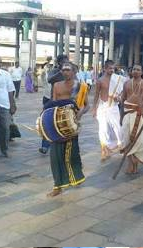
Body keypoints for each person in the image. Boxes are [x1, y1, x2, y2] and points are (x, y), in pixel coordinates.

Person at [46, 62, 89, 197]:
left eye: (68, 70)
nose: (65, 72)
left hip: (72, 123)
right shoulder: (56, 85)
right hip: (57, 123)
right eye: (63, 70)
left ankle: (75, 176)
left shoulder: (80, 86)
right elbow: (53, 103)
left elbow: (86, 105)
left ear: (74, 71)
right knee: (55, 154)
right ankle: (57, 185)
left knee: (71, 153)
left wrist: (79, 113)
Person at [120, 64, 143, 174]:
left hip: (140, 114)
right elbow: (123, 99)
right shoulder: (127, 83)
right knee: (127, 138)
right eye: (134, 69)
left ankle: (136, 163)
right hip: (128, 114)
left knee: (141, 140)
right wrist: (121, 116)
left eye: (138, 69)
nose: (136, 71)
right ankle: (130, 163)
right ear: (131, 71)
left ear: (142, 72)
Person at [92, 59, 124, 161]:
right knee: (103, 129)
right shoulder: (100, 81)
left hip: (114, 107)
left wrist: (119, 98)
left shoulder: (118, 79)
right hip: (103, 107)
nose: (112, 70)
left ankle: (117, 145)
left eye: (113, 68)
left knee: (117, 128)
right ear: (105, 69)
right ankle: (104, 150)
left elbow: (123, 91)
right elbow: (96, 95)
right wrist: (94, 108)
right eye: (110, 68)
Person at [39, 54, 69, 155]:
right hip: (53, 101)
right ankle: (45, 146)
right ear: (59, 63)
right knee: (48, 123)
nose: (66, 64)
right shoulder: (54, 71)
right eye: (64, 62)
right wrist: (61, 72)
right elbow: (50, 80)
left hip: (65, 102)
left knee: (64, 125)